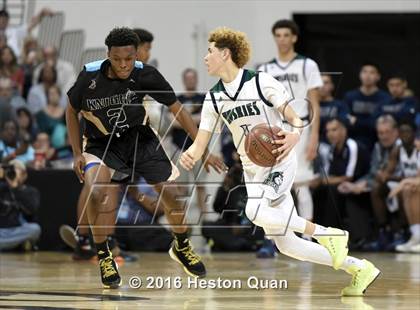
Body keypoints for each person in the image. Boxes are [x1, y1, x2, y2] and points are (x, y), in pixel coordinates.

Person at [180, 26, 380, 296]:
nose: (205, 57)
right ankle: (359, 268)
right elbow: (201, 142)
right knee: (287, 246)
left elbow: (294, 116)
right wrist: (186, 156)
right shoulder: (214, 98)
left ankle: (327, 233)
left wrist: (296, 135)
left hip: (279, 160)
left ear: (225, 54)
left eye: (210, 51)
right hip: (253, 173)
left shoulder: (261, 81)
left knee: (253, 211)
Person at [66, 27, 224, 288]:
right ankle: (103, 254)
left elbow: (178, 110)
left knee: (172, 195)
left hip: (140, 139)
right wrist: (75, 153)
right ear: (108, 55)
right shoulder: (90, 75)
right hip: (100, 143)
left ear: (136, 54)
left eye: (128, 59)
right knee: (96, 191)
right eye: (117, 59)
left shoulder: (146, 74)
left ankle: (182, 246)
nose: (123, 65)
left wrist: (202, 148)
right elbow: (71, 111)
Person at [257, 20, 323, 243]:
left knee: (301, 185)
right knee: (272, 186)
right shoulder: (265, 69)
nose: (282, 39)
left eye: (286, 35)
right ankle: (273, 239)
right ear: (274, 38)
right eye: (278, 35)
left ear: (294, 38)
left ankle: (307, 238)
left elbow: (315, 103)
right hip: (275, 129)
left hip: (300, 127)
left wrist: (314, 136)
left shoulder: (307, 65)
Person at [343, 63, 391, 150]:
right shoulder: (350, 96)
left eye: (372, 72)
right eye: (364, 72)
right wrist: (370, 122)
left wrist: (357, 121)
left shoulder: (385, 98)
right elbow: (347, 121)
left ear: (378, 77)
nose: (367, 76)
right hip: (353, 141)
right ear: (360, 75)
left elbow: (379, 124)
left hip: (378, 141)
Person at [0, 159, 41, 250]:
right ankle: (16, 245)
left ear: (24, 175)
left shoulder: (30, 191)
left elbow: (31, 210)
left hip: (17, 229)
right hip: (1, 230)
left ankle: (9, 245)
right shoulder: (2, 188)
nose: (12, 173)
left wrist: (15, 187)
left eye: (15, 170)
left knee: (35, 229)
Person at [319, 74, 349, 142]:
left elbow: (344, 122)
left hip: (335, 143)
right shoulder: (311, 106)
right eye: (319, 83)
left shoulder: (340, 105)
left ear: (332, 86)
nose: (322, 86)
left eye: (325, 83)